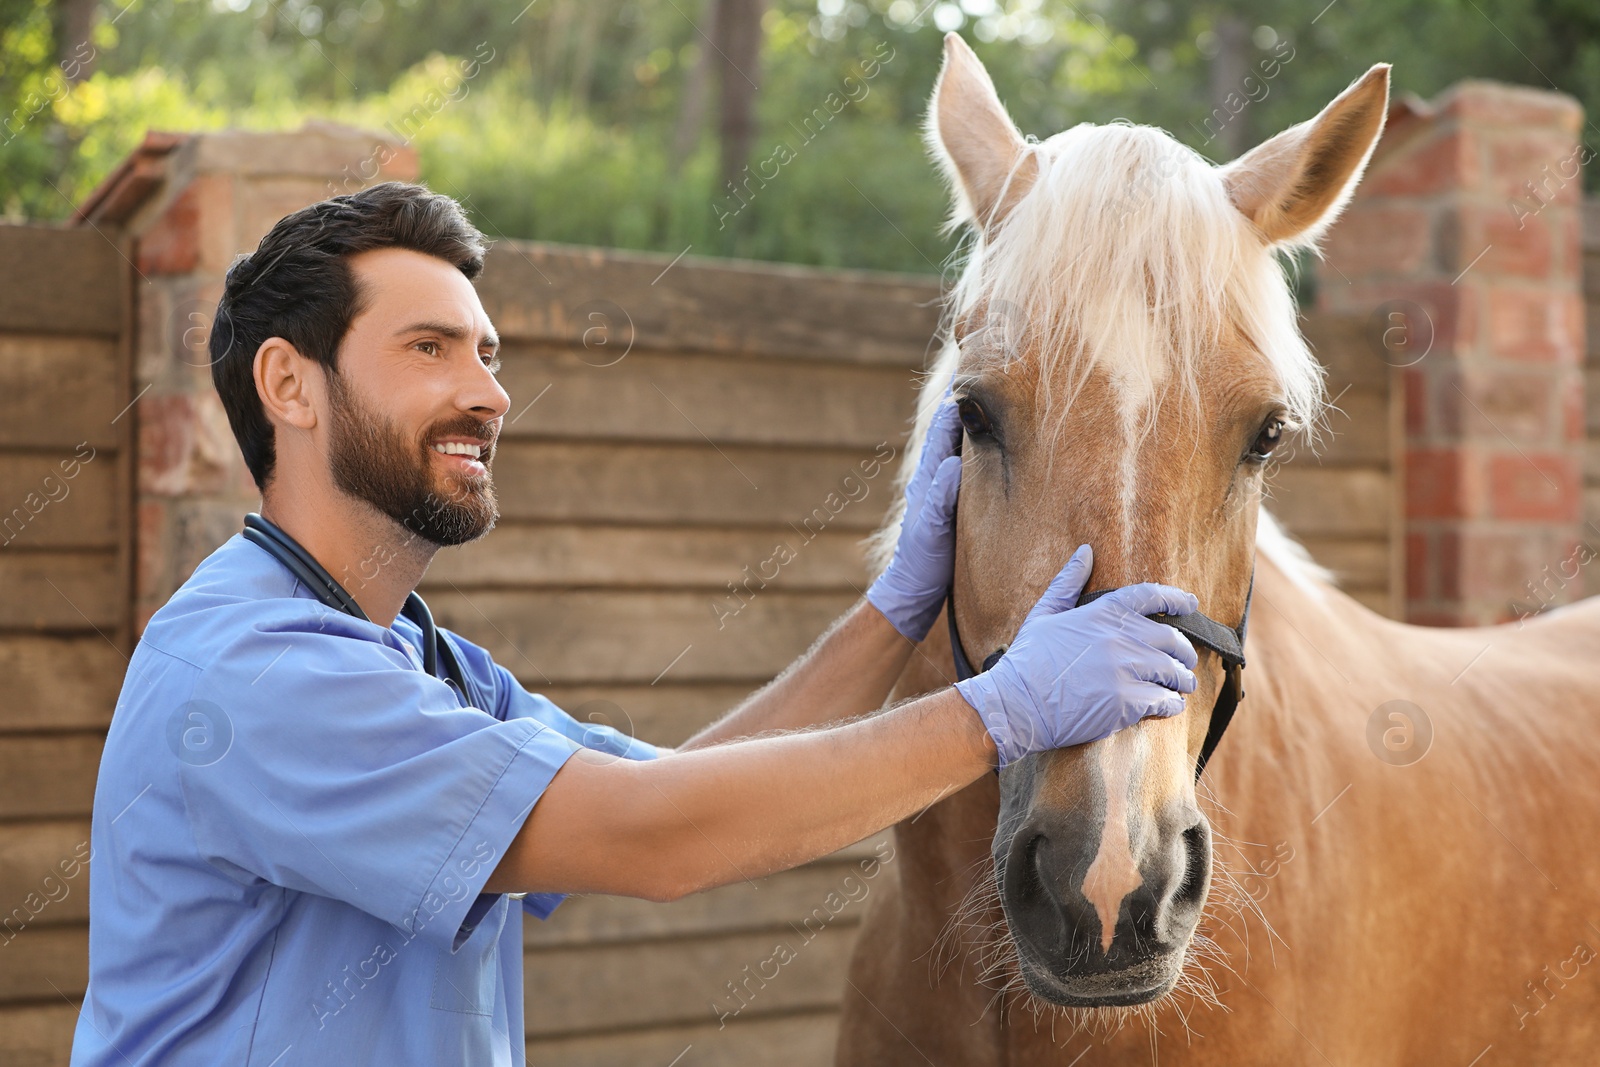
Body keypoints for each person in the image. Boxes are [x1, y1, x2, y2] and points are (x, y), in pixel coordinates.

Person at [71, 182, 1199, 1066]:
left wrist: (891, 616)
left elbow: (678, 785)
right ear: (289, 384)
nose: (489, 391)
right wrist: (998, 710)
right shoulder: (254, 670)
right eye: (430, 348)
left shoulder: (426, 665)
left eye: (488, 352)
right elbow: (655, 839)